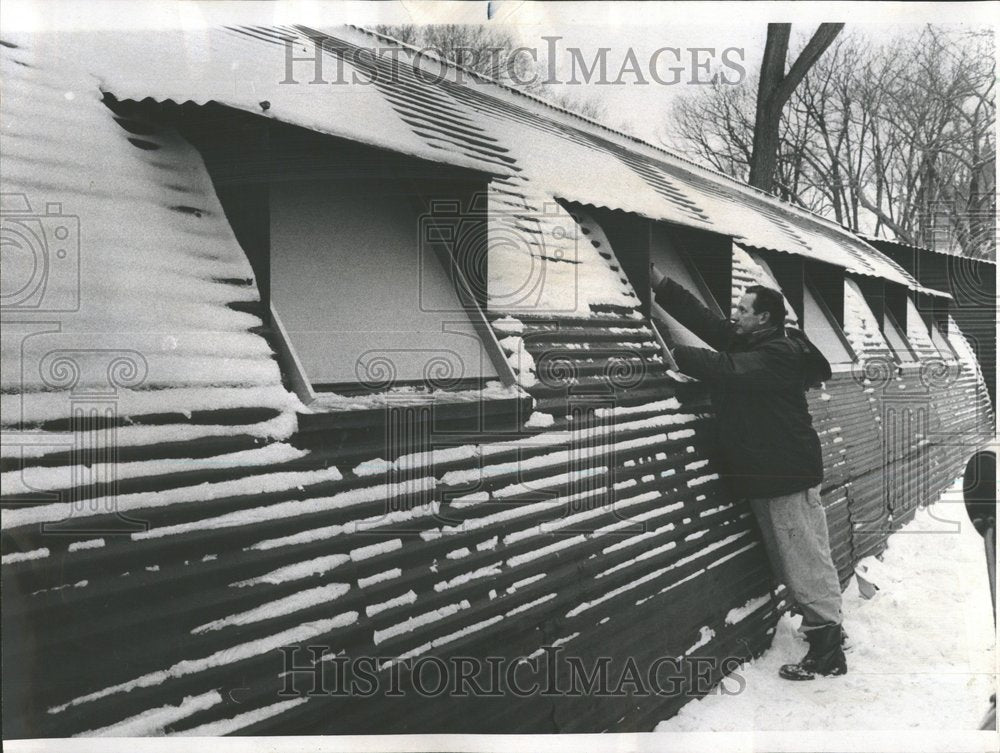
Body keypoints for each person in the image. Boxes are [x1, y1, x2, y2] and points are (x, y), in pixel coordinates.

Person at [650, 264, 846, 681]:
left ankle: (828, 649)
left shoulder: (778, 354)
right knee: (795, 558)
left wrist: (668, 349)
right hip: (772, 472)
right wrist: (659, 285)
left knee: (803, 560)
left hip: (786, 474)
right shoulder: (759, 339)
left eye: (742, 309)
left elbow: (726, 368)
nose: (734, 315)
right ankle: (826, 632)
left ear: (764, 318)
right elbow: (708, 323)